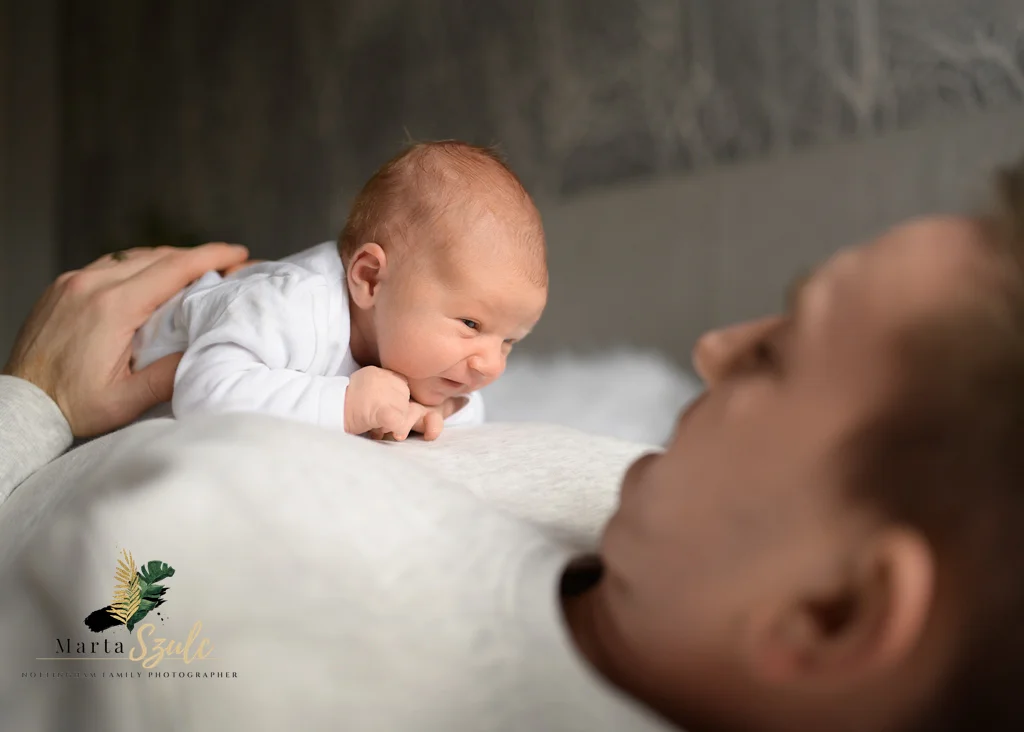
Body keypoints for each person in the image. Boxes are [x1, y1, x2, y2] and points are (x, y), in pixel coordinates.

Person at [2, 158, 1024, 732]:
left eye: (780, 354)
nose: (711, 349)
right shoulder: (653, 510)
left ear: (831, 614)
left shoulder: (199, 684)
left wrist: (30, 403)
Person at [131, 141, 548, 441]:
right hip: (133, 352)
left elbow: (469, 411)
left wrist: (436, 409)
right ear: (369, 279)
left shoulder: (406, 348)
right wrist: (345, 404)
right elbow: (204, 392)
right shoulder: (295, 306)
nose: (491, 366)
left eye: (509, 340)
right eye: (471, 323)